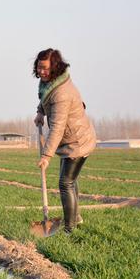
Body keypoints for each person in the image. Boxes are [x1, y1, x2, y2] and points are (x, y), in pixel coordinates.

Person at [33, 48, 97, 233]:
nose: (41, 72)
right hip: (70, 139)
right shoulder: (48, 83)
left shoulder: (62, 93)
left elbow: (58, 128)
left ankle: (70, 228)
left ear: (54, 67)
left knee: (65, 182)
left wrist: (46, 155)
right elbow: (44, 97)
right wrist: (40, 112)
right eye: (39, 68)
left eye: (44, 68)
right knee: (70, 180)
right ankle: (75, 218)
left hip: (77, 141)